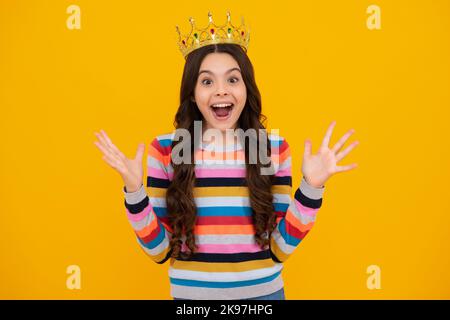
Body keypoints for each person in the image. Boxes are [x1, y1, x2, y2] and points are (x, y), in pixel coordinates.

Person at [93, 11, 359, 300]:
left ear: (246, 88)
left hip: (264, 299)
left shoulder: (271, 148)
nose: (221, 90)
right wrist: (134, 192)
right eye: (207, 82)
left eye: (233, 80)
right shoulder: (168, 149)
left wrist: (312, 187)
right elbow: (159, 252)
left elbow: (281, 249)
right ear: (193, 93)